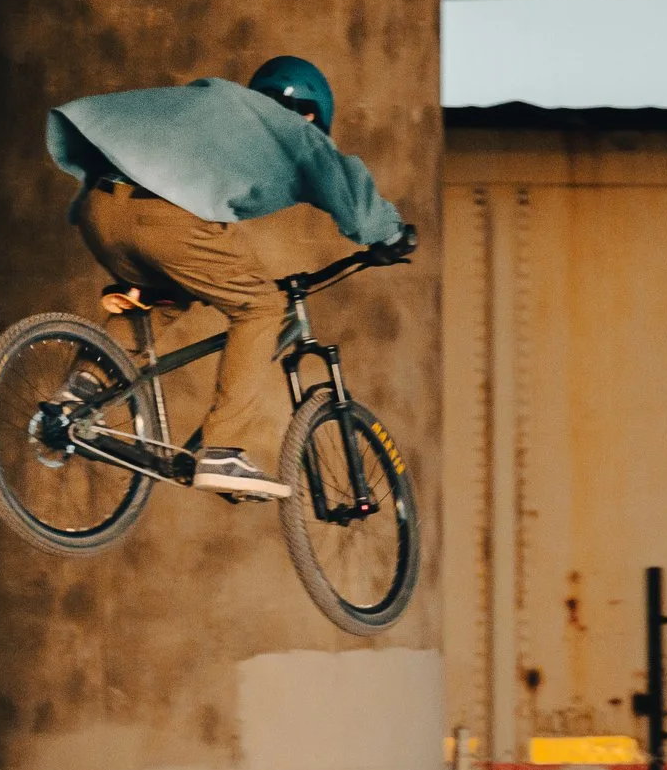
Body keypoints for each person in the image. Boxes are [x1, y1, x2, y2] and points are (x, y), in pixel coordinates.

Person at [46, 56, 412, 501]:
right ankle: (222, 451)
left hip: (100, 209)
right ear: (311, 113)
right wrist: (391, 235)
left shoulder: (218, 103)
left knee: (161, 298)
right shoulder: (293, 129)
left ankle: (81, 390)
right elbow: (350, 195)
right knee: (262, 306)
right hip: (165, 218)